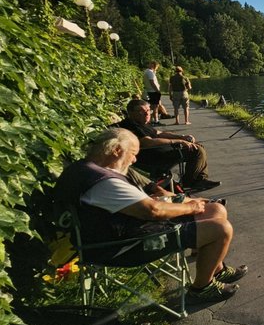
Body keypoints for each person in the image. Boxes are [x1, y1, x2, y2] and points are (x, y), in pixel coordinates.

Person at [54, 128, 246, 301]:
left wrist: (184, 202)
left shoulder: (88, 168)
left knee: (215, 210)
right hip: (122, 246)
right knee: (221, 229)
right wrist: (192, 207)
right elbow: (152, 211)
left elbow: (145, 205)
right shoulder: (104, 182)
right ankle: (202, 288)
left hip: (125, 230)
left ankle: (216, 270)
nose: (135, 160)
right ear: (117, 151)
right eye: (133, 154)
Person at [118, 98, 221, 192]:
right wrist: (177, 142)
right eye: (142, 111)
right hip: (152, 157)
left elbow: (158, 133)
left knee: (197, 146)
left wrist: (182, 137)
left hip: (159, 151)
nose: (147, 113)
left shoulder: (141, 123)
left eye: (148, 110)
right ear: (131, 113)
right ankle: (190, 181)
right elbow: (147, 142)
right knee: (196, 150)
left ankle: (200, 179)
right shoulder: (131, 125)